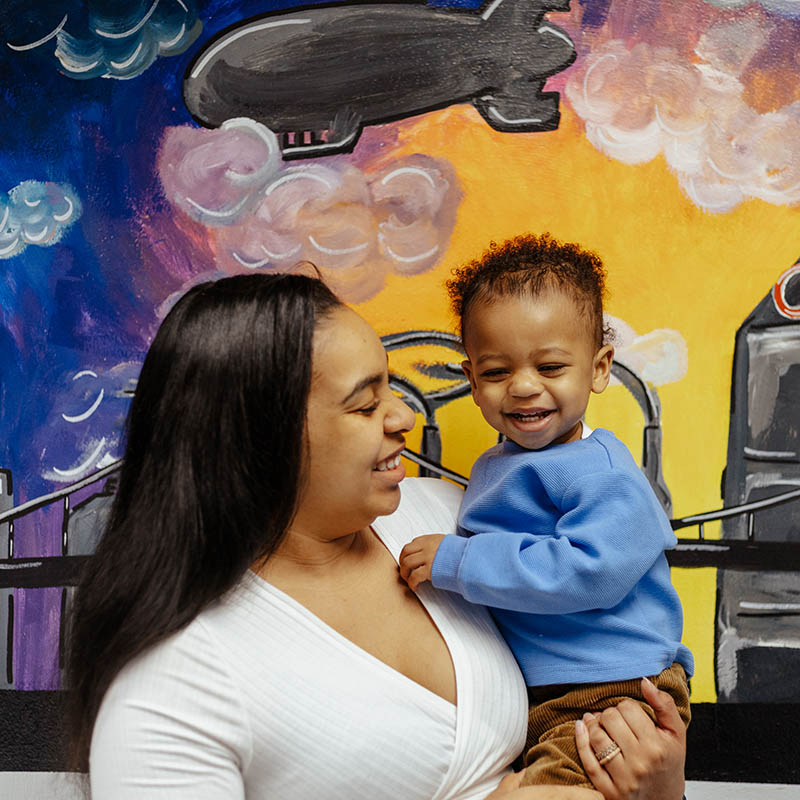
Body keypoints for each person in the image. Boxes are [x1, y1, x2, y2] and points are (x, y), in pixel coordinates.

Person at [67, 270, 688, 800]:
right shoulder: (174, 684)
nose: (404, 416)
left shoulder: (450, 519)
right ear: (260, 439)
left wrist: (662, 789)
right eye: (365, 405)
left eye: (390, 386)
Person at [398, 234, 693, 789]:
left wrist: (460, 561)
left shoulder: (600, 469)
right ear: (471, 381)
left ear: (600, 368)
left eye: (552, 367)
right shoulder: (499, 463)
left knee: (557, 789)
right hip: (540, 694)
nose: (525, 387)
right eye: (496, 372)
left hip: (615, 689)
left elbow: (590, 571)